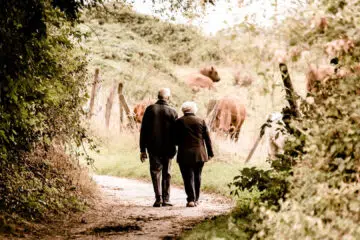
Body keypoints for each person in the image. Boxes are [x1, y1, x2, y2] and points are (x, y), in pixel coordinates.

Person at [139, 88, 178, 207]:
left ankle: (158, 199)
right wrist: (177, 146)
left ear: (157, 96)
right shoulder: (173, 112)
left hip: (153, 147)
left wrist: (142, 150)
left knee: (155, 172)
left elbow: (143, 131)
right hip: (169, 147)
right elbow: (177, 133)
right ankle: (166, 199)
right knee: (167, 173)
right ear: (168, 98)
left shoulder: (150, 109)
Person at [175, 101, 214, 207]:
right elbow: (207, 139)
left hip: (184, 154)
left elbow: (174, 139)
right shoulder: (201, 121)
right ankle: (196, 199)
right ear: (193, 110)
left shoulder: (178, 122)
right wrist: (210, 153)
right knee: (198, 176)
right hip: (199, 154)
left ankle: (191, 199)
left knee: (187, 177)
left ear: (184, 110)